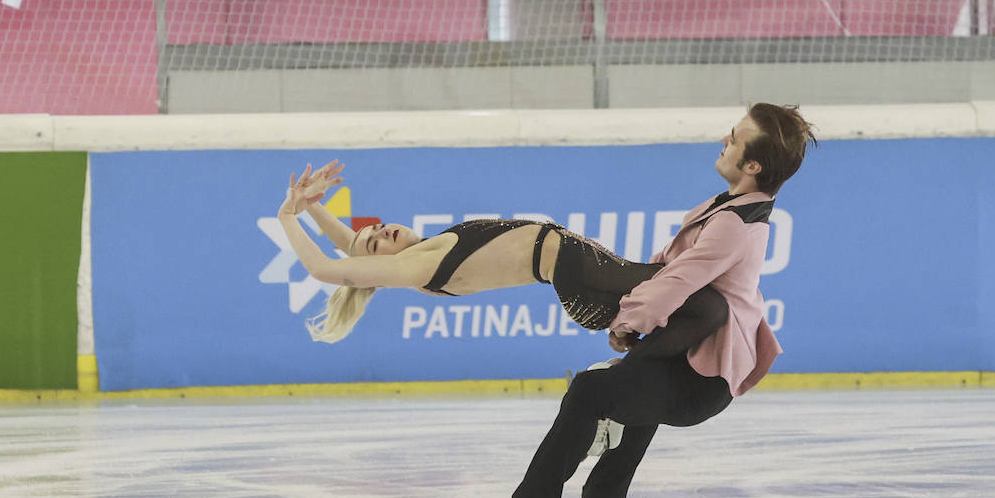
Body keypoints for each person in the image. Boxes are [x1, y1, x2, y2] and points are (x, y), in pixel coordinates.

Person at [496, 103, 816, 498]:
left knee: (590, 390)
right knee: (626, 399)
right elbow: (665, 267)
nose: (723, 141)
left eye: (734, 138)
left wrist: (628, 322)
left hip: (699, 382)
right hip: (680, 357)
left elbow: (674, 282)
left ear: (752, 165)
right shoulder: (727, 209)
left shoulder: (733, 225)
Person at [274, 161, 729, 357]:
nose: (380, 231)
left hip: (581, 266)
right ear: (381, 265)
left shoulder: (420, 251)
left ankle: (639, 364)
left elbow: (348, 246)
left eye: (373, 228)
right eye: (376, 243)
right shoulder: (415, 267)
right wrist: (287, 215)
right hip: (578, 275)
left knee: (690, 297)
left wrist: (312, 204)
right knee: (691, 284)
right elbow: (327, 267)